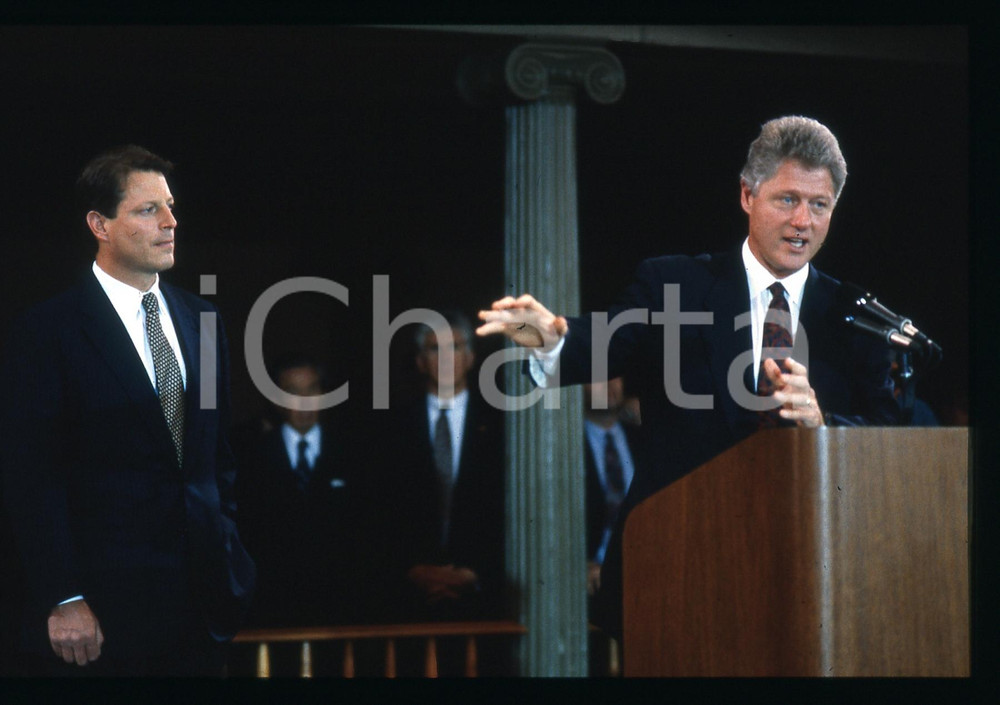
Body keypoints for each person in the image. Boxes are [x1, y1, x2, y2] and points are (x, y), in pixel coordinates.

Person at [476, 116, 902, 640]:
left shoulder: (854, 317)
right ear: (747, 195)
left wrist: (823, 427)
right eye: (788, 199)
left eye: (820, 205)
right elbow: (599, 345)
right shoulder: (674, 284)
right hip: (677, 565)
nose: (803, 222)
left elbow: (888, 440)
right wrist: (548, 336)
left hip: (804, 578)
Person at [0, 145, 255, 676]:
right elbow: (32, 477)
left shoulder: (203, 320)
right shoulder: (47, 331)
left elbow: (217, 458)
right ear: (100, 225)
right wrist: (63, 595)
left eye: (170, 207)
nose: (170, 222)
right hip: (101, 621)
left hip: (202, 611)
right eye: (148, 209)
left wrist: (227, 549)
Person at [372, 310, 507, 675]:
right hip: (411, 603)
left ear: (471, 357)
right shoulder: (389, 428)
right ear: (420, 361)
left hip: (484, 601)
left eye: (455, 347)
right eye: (435, 349)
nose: (446, 358)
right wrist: (417, 571)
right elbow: (379, 514)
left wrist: (473, 574)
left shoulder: (504, 423)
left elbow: (510, 511)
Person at [235, 353, 376, 628]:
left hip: (341, 611)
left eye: (311, 389)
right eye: (292, 392)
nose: (303, 401)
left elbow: (365, 534)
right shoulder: (250, 459)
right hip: (272, 611)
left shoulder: (354, 454)